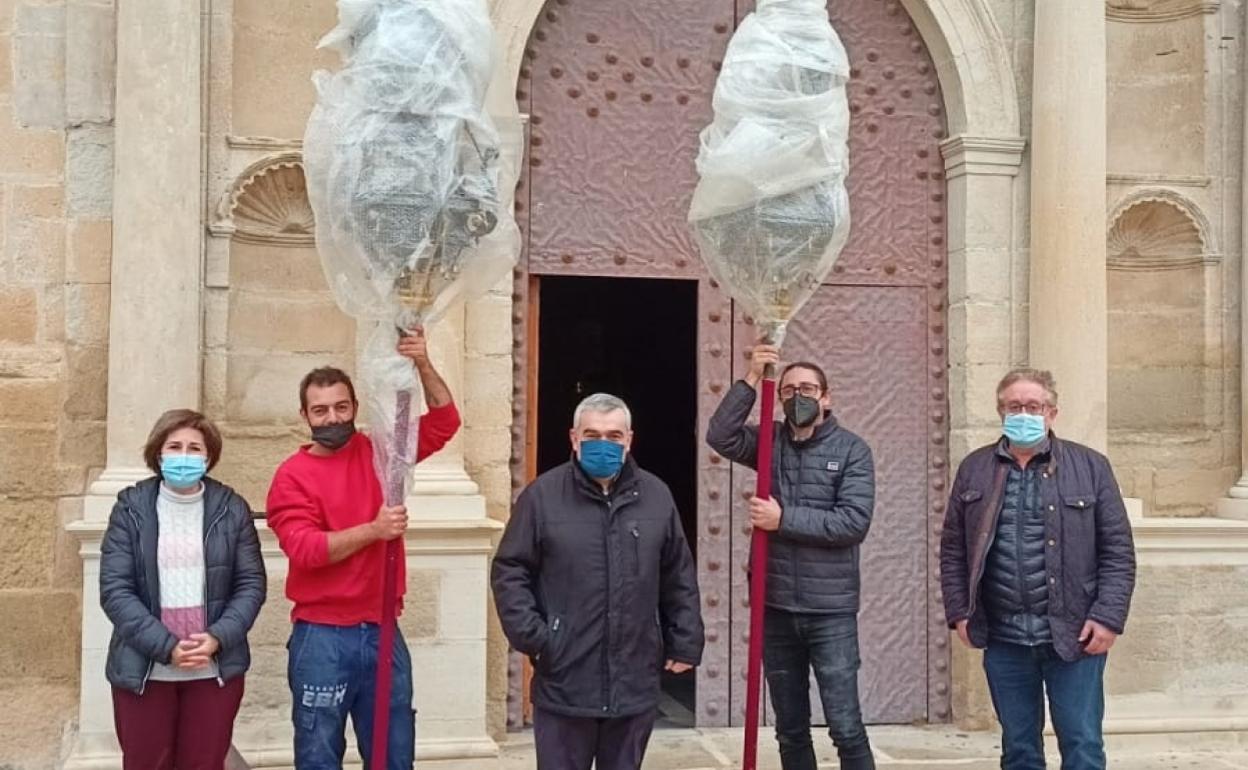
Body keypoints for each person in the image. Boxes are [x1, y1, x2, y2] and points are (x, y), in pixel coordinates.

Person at [266, 328, 460, 770]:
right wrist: (374, 529)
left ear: (354, 406)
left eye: (341, 407)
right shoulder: (291, 476)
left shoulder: (383, 452)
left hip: (383, 630)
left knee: (393, 752)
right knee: (319, 753)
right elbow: (307, 550)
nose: (332, 418)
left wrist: (423, 362)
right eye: (320, 410)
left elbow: (445, 422)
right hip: (323, 637)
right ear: (305, 415)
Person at [492, 392, 704, 770]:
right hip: (564, 680)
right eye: (592, 435)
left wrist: (684, 640)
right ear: (574, 439)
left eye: (613, 435)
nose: (602, 444)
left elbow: (677, 574)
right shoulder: (541, 497)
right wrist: (537, 638)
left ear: (629, 440)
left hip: (634, 682)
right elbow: (511, 569)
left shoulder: (655, 496)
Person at [940, 368, 1136, 770]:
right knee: (1019, 749)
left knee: (1082, 745)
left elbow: (1118, 550)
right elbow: (954, 548)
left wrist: (1108, 617)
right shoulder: (975, 468)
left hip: (1074, 636)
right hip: (1005, 638)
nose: (1024, 413)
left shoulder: (1091, 466)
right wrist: (960, 612)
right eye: (1015, 406)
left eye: (1034, 406)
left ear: (1052, 413)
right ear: (1001, 412)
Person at [707, 343, 877, 770]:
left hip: (829, 612)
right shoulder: (770, 440)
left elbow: (852, 523)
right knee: (790, 726)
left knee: (845, 724)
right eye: (788, 389)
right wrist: (751, 377)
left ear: (825, 397)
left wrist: (783, 519)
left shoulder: (853, 450)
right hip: (776, 606)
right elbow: (721, 435)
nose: (797, 396)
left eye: (807, 388)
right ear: (779, 397)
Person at [100, 409, 266, 770]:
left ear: (209, 457)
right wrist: (167, 647)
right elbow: (115, 588)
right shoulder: (130, 509)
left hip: (214, 667)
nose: (184, 456)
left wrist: (218, 637)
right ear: (158, 454)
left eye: (195, 448)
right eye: (174, 446)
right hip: (146, 670)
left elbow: (251, 585)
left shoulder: (231, 509)